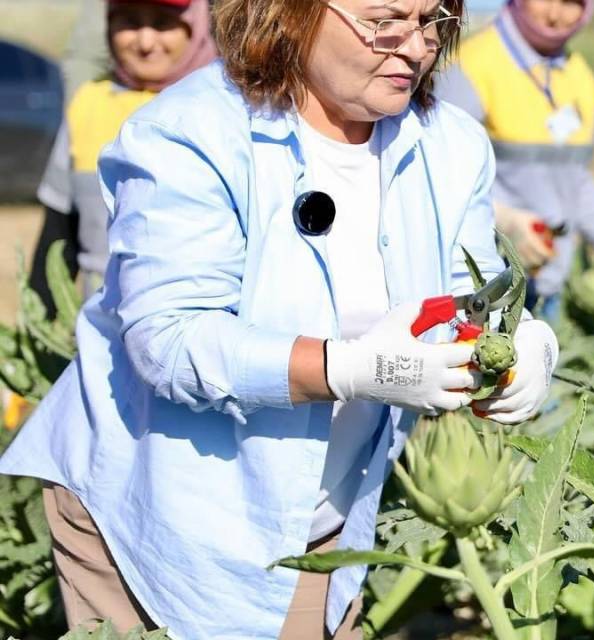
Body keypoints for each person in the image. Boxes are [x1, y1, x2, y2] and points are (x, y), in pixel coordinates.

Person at [0, 0, 559, 637]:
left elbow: (475, 295)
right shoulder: (190, 131)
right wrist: (349, 368)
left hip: (324, 513)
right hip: (162, 507)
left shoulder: (452, 147)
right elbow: (171, 339)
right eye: (385, 21)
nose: (416, 46)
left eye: (435, 20)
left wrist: (523, 344)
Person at [435, 0, 594, 327]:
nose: (555, 13)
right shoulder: (470, 67)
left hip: (547, 289)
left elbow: (575, 185)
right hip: (475, 293)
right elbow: (436, 180)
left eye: (571, 2)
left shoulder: (580, 77)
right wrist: (504, 223)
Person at [29, 0, 216, 306]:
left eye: (162, 23)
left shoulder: (226, 109)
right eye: (129, 22)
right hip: (100, 345)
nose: (145, 42)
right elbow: (57, 239)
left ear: (195, 25)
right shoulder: (88, 106)